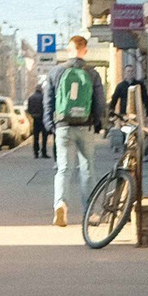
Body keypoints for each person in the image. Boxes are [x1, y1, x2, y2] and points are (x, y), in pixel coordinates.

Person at [49, 33, 106, 226]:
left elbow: (47, 101)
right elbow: (99, 104)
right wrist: (96, 122)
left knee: (63, 168)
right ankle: (90, 212)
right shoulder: (92, 73)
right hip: (85, 126)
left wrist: (52, 125)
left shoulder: (56, 72)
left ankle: (60, 204)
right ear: (85, 51)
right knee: (87, 168)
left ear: (69, 50)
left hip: (63, 126)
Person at [26, 73, 53, 159]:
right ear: (41, 90)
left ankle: (36, 153)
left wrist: (33, 115)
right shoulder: (43, 97)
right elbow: (46, 107)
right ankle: (44, 152)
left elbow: (28, 109)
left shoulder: (31, 98)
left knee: (36, 137)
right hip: (43, 119)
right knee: (44, 137)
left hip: (35, 119)